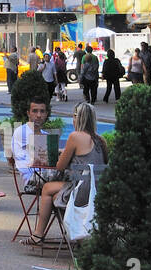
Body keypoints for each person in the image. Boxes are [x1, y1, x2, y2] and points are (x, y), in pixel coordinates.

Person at [26, 102, 108, 246]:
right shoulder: (101, 140)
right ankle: (77, 237)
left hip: (81, 190)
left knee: (47, 189)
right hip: (98, 191)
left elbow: (60, 166)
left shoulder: (75, 136)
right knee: (56, 195)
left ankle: (38, 234)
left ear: (77, 118)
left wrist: (62, 154)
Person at [10, 99, 50, 189]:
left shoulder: (46, 135)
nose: (39, 115)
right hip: (32, 179)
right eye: (35, 111)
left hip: (46, 177)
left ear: (46, 114)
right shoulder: (22, 131)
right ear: (28, 113)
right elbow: (39, 152)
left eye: (42, 111)